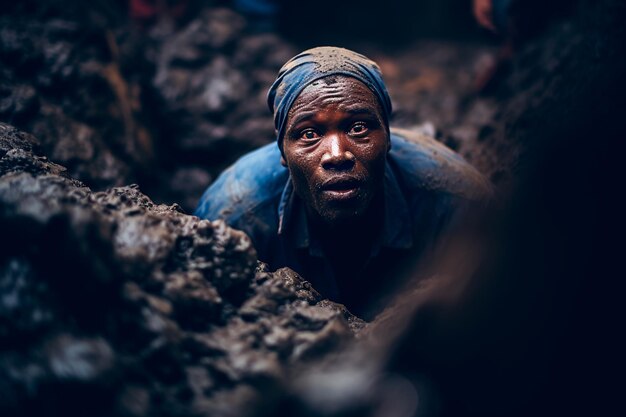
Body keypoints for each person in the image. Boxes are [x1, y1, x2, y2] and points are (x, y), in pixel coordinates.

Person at [195, 47, 490, 318]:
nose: (337, 155)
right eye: (309, 134)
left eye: (358, 127)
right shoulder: (234, 218)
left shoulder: (458, 206)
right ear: (282, 151)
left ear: (387, 137)